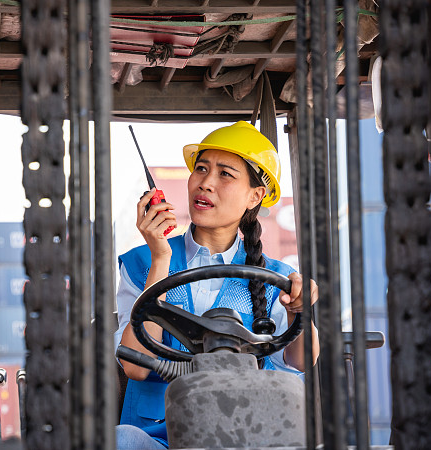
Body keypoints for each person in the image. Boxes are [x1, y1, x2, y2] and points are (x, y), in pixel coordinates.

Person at [114, 121, 320, 449]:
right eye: (201, 169)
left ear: (255, 196)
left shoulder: (276, 279)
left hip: (248, 433)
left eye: (225, 174)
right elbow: (134, 366)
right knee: (121, 441)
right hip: (161, 438)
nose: (206, 183)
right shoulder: (141, 263)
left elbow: (301, 360)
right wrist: (160, 260)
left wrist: (300, 312)